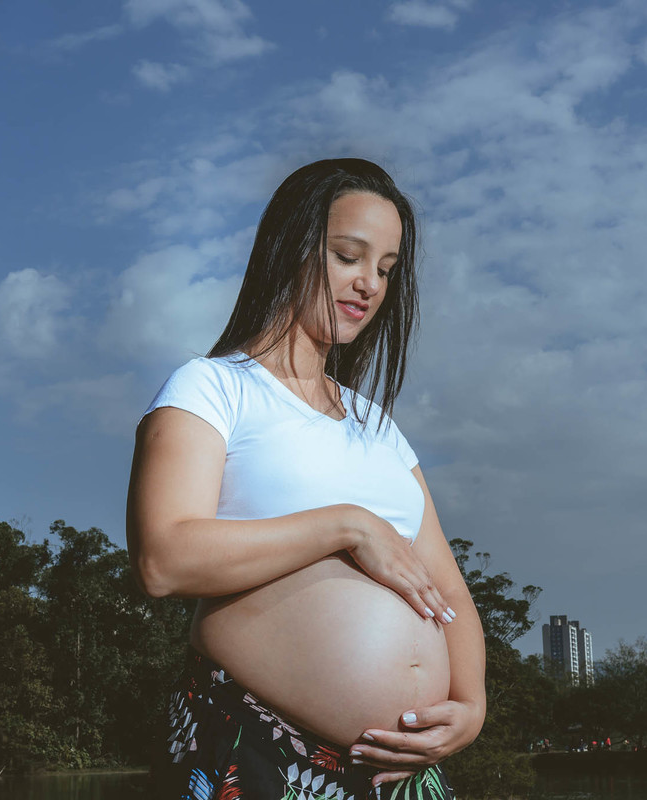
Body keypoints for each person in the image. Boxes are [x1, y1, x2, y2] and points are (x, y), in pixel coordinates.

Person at [127, 158, 487, 799]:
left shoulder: (379, 427)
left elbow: (448, 592)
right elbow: (164, 559)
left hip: (400, 774)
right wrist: (346, 526)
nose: (369, 285)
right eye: (349, 256)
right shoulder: (211, 388)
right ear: (290, 249)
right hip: (254, 747)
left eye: (385, 269)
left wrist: (472, 705)